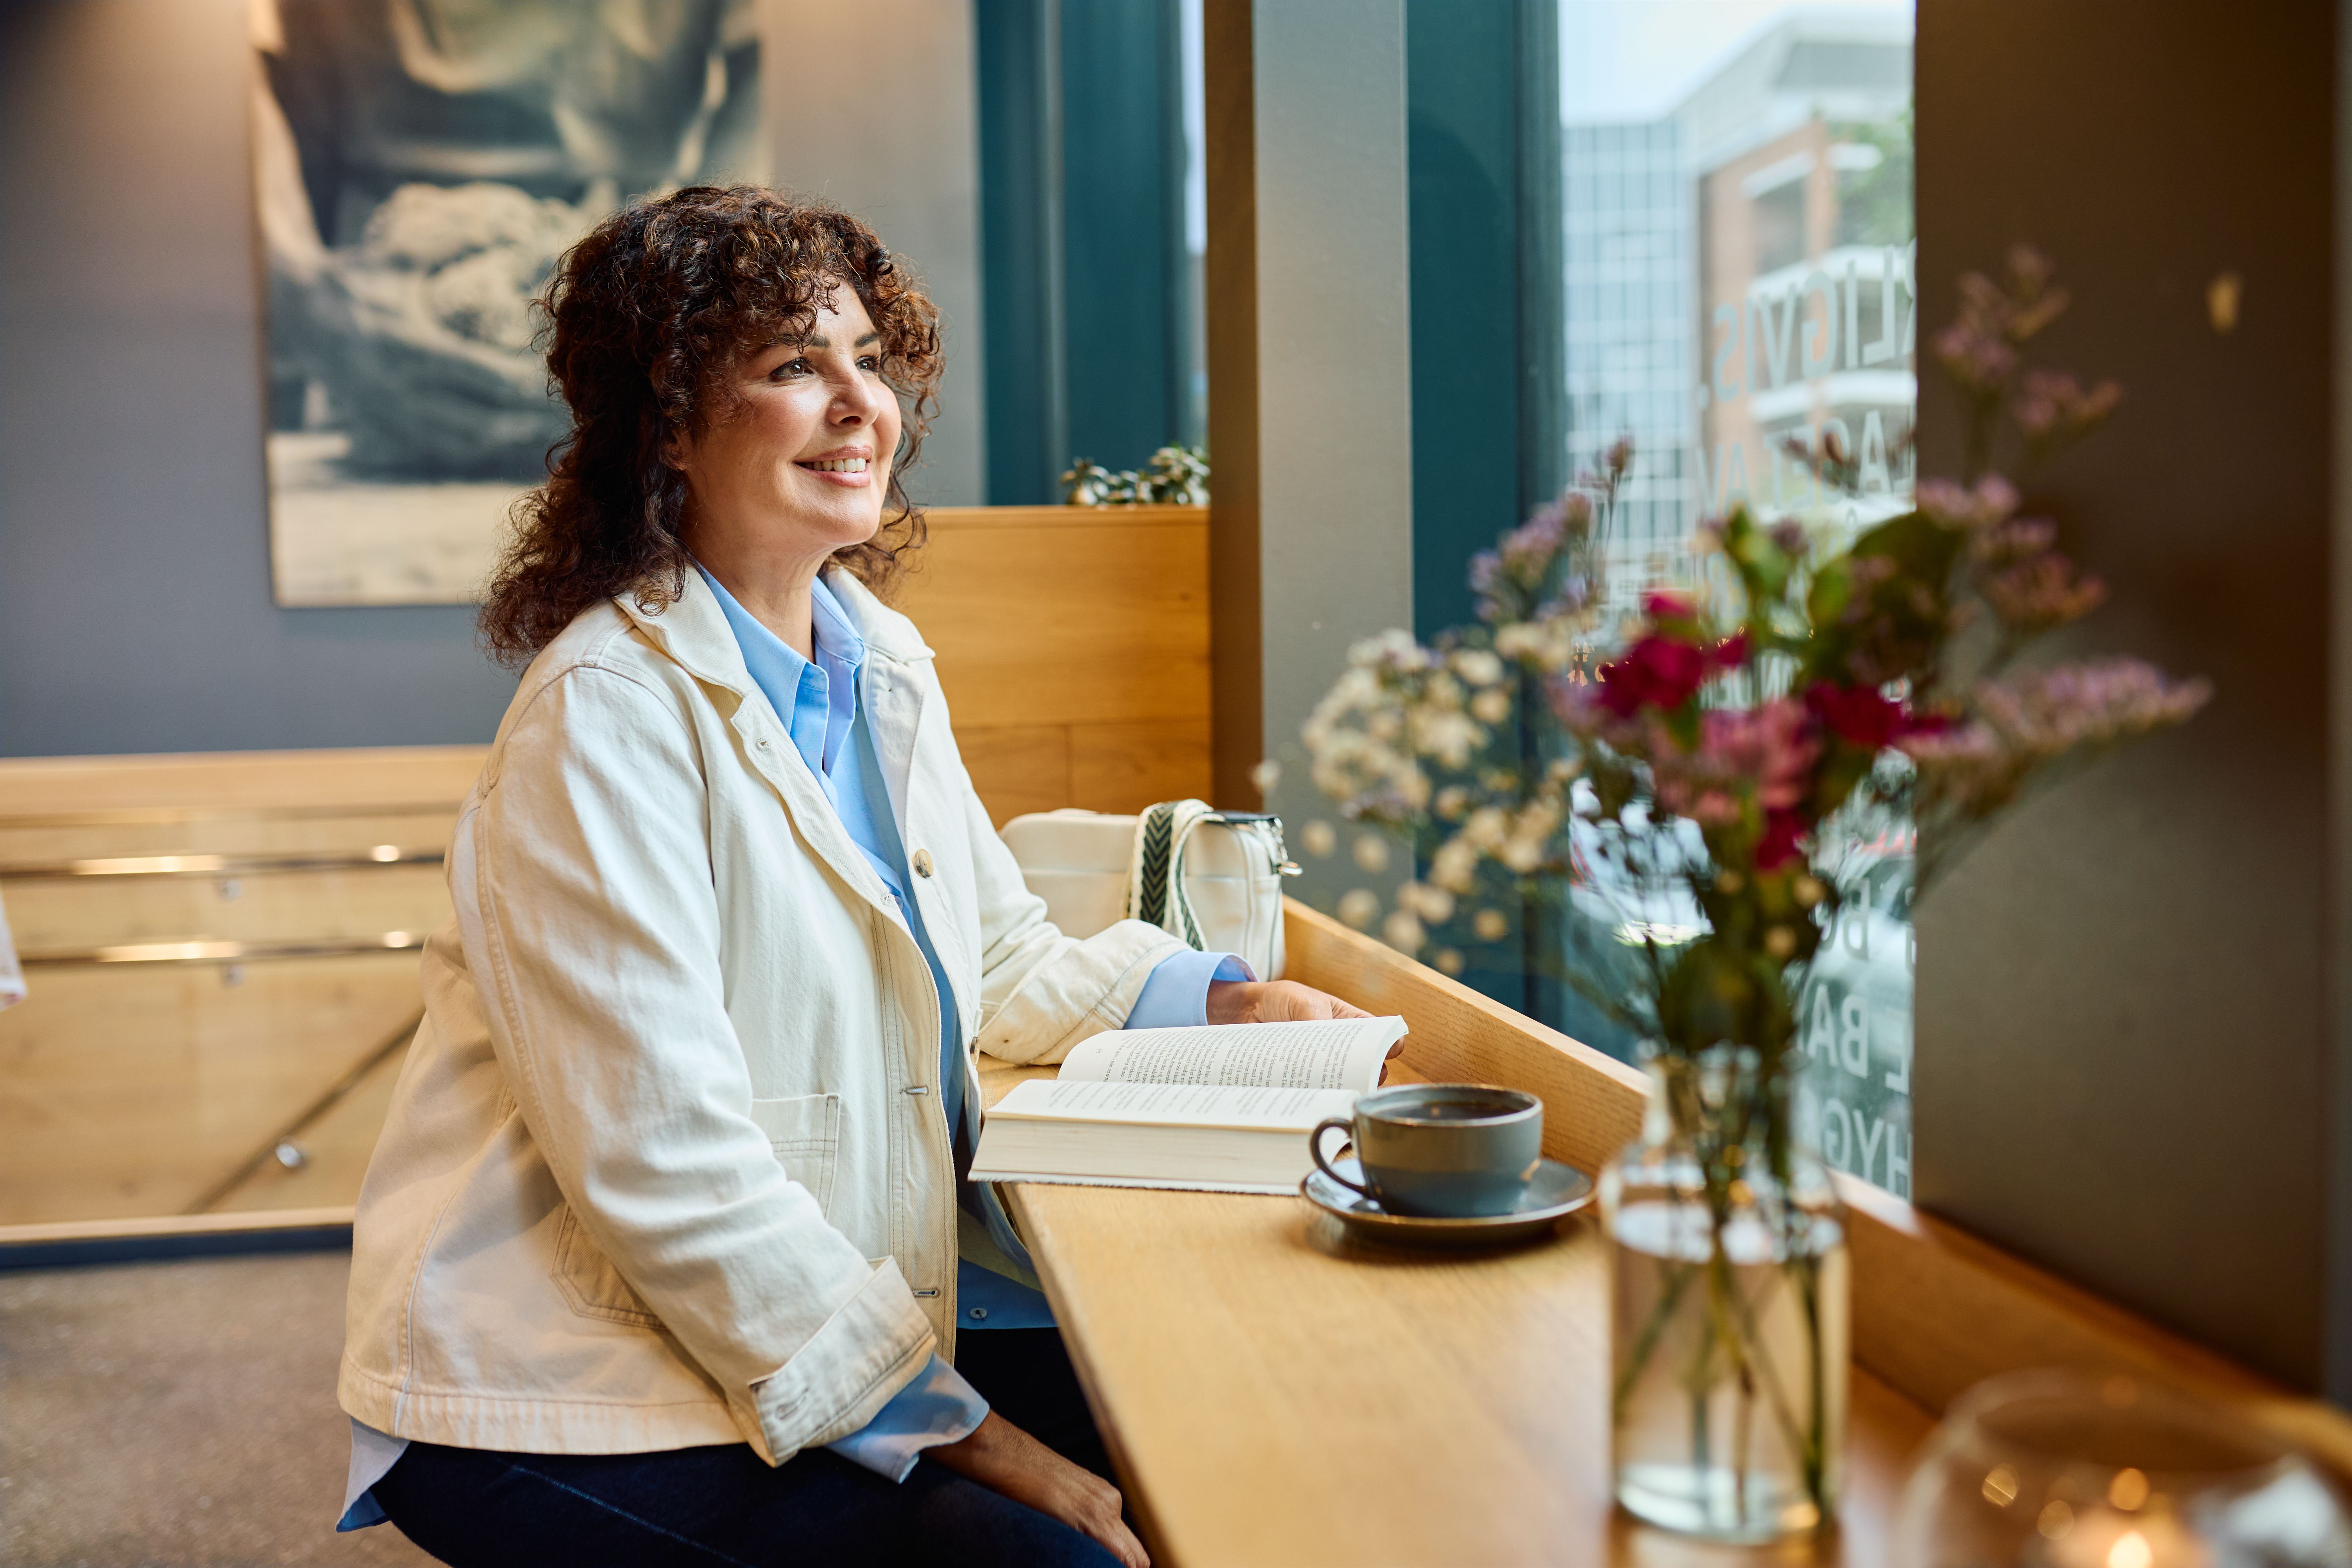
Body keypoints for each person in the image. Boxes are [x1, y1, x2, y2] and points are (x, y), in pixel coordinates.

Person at [334, 185, 1369, 1568]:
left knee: (1206, 1435)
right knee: (1061, 1555)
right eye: (789, 368)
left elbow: (991, 963)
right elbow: (666, 1166)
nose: (857, 404)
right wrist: (972, 1434)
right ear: (669, 430)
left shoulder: (874, 661)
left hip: (756, 1322)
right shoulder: (604, 715)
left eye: (869, 361)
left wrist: (1220, 1002)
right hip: (570, 1387)